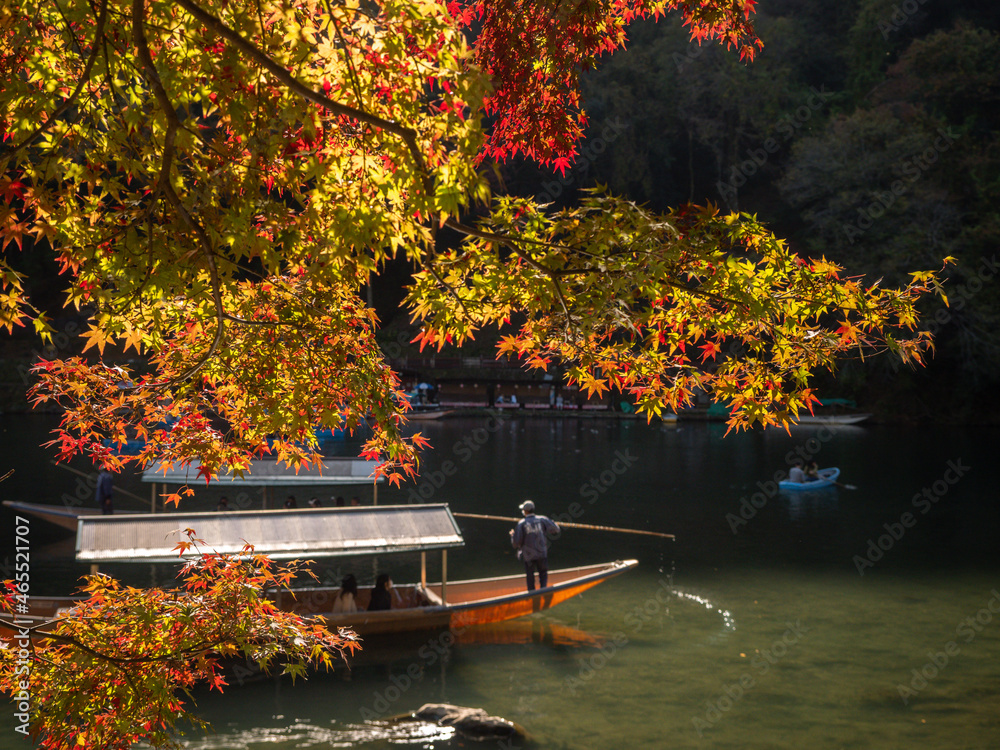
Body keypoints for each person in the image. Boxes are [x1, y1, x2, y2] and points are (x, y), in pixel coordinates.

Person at [510, 500, 559, 591]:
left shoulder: (521, 523)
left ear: (525, 511)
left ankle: (532, 593)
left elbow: (516, 543)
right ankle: (543, 590)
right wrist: (551, 522)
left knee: (530, 575)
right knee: (543, 573)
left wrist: (513, 535)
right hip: (541, 553)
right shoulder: (542, 519)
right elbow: (556, 529)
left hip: (528, 555)